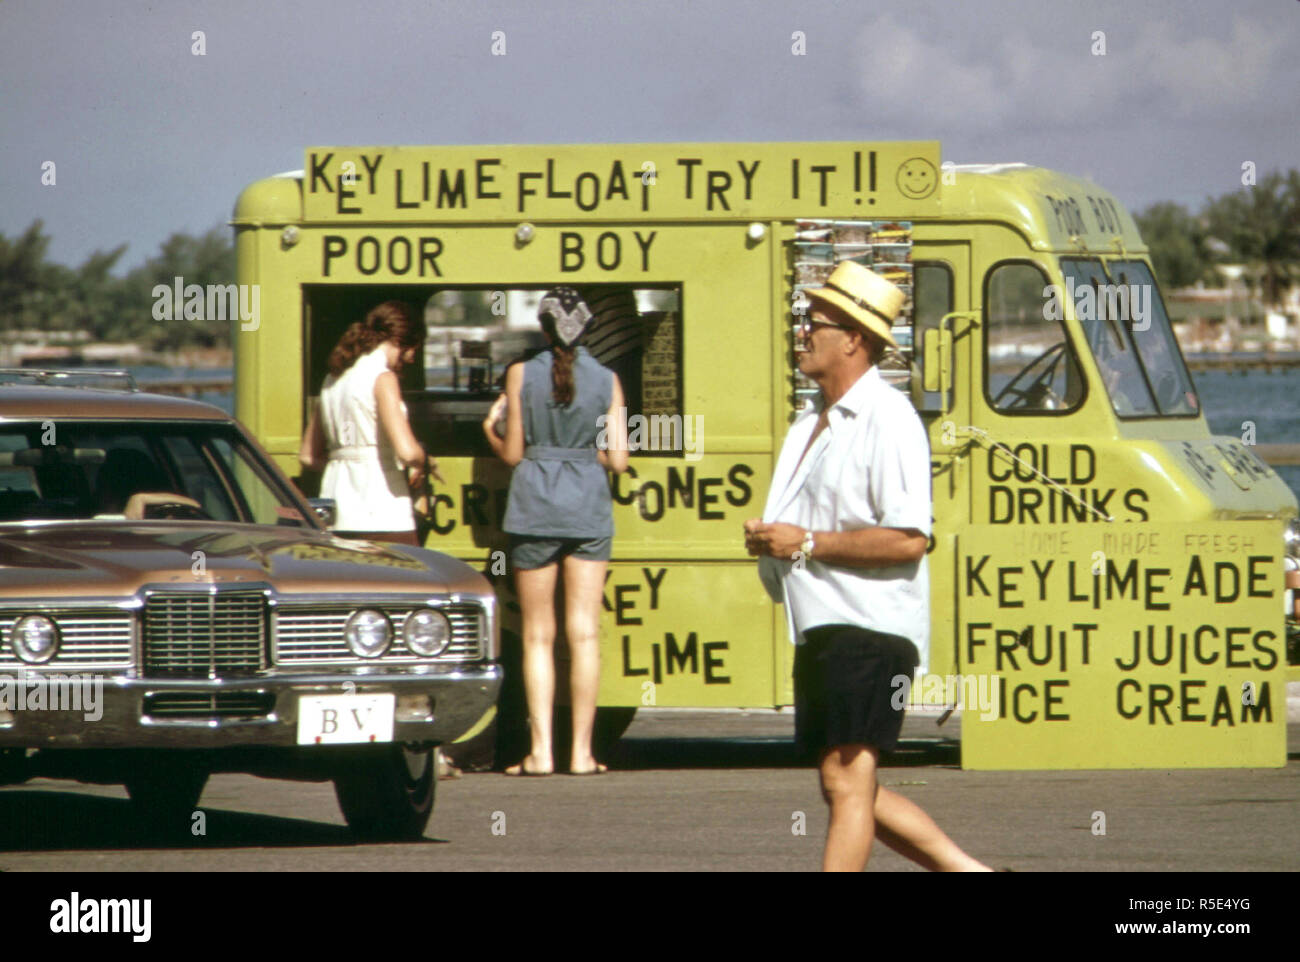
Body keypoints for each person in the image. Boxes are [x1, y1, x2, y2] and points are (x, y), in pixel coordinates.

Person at [744, 261, 992, 872]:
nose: (802, 334)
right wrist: (775, 541)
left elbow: (911, 539)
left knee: (846, 780)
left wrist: (805, 541)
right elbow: (809, 532)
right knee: (846, 784)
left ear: (853, 338)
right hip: (823, 625)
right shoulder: (807, 423)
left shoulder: (890, 419)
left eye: (813, 323)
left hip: (871, 628)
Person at [483, 287, 628, 776]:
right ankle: (582, 754)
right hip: (588, 508)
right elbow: (621, 461)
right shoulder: (608, 380)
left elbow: (512, 454)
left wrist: (489, 429)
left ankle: (541, 752)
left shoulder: (520, 374)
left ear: (542, 328)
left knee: (538, 636)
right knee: (584, 634)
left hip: (534, 508)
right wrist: (588, 454)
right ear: (587, 328)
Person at [299, 300, 441, 545]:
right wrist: (426, 460)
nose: (409, 359)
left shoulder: (332, 380)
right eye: (412, 350)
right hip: (383, 511)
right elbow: (407, 453)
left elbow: (308, 456)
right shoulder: (382, 378)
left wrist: (346, 464)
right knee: (407, 582)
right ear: (400, 341)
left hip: (337, 512)